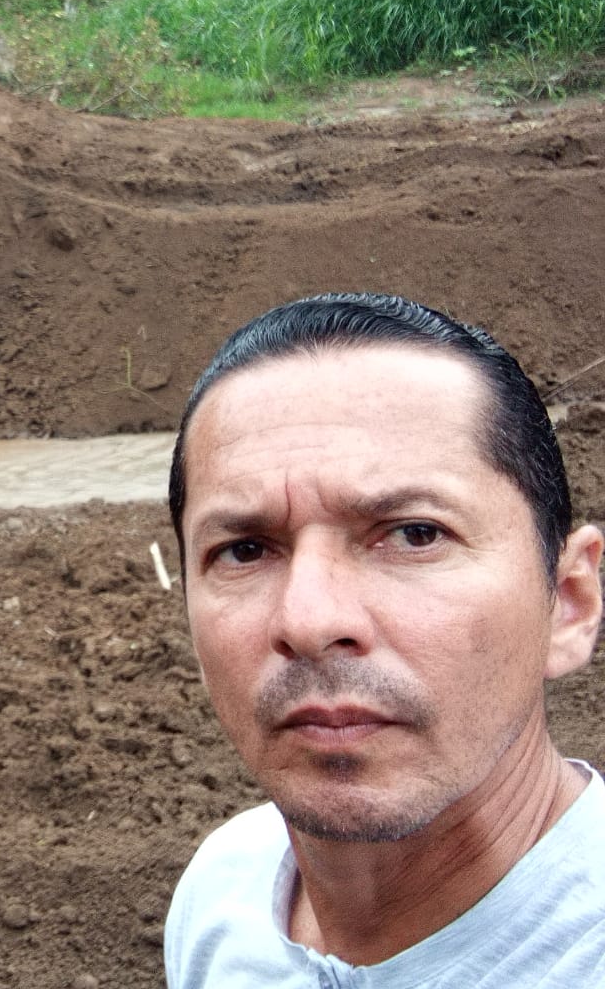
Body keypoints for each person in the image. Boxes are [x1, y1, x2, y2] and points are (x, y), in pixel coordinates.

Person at [163, 292, 605, 987]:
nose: (308, 621)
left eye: (415, 534)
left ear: (570, 602)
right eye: (245, 550)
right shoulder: (224, 895)